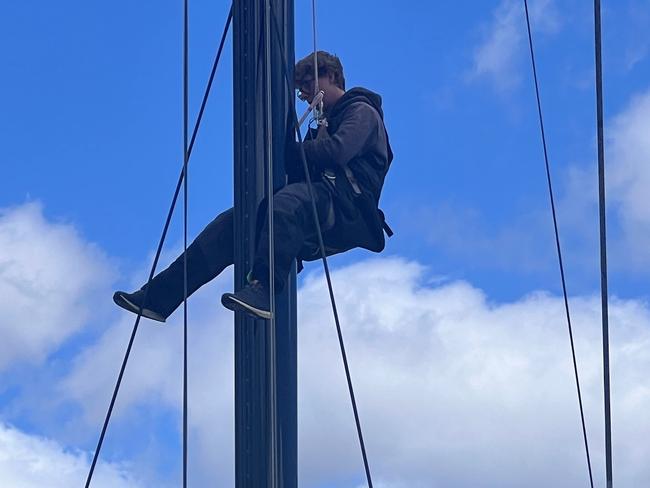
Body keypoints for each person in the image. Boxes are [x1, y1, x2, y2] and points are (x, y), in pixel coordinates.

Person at [113, 51, 393, 321]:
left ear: (331, 76)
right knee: (230, 226)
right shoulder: (323, 123)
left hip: (346, 209)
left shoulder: (361, 111)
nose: (305, 95)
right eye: (301, 91)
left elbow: (337, 152)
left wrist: (292, 149)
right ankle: (158, 299)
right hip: (319, 205)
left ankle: (264, 290)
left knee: (286, 204)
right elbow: (300, 168)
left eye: (308, 85)